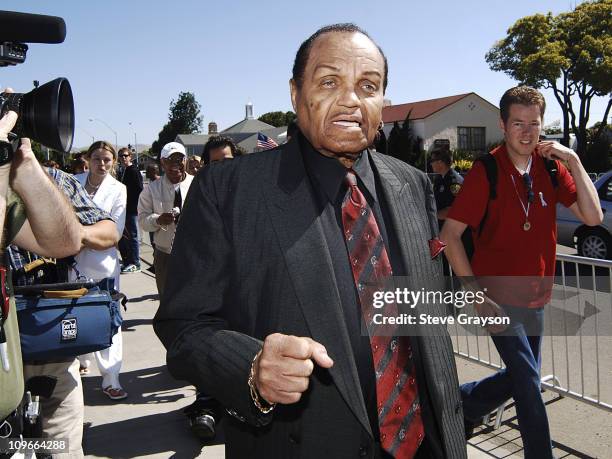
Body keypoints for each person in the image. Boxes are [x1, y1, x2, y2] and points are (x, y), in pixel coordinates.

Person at [155, 24, 466, 459]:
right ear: (295, 94)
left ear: (382, 101)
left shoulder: (413, 186)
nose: (351, 100)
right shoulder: (228, 191)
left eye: (368, 86)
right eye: (329, 82)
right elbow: (183, 326)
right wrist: (252, 369)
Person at [440, 86, 602, 458]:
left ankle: (463, 404)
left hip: (537, 297)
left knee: (521, 376)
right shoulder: (486, 172)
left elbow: (593, 216)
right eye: (518, 123)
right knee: (530, 386)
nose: (527, 133)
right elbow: (450, 237)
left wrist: (573, 158)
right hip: (497, 299)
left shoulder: (551, 167)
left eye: (534, 124)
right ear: (503, 124)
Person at [0, 93, 91, 456]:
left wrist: (24, 160)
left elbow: (64, 241)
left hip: (11, 412)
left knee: (60, 446)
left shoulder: (11, 173)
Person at [73, 140, 128, 401]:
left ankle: (111, 377)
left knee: (109, 319)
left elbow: (115, 231)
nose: (102, 164)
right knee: (73, 314)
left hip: (103, 263)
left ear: (114, 162)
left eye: (107, 159)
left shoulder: (119, 189)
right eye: (97, 158)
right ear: (87, 159)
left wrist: (78, 236)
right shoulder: (73, 182)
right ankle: (82, 360)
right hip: (71, 263)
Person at [137, 142, 193, 296]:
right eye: (170, 160)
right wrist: (158, 220)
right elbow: (142, 220)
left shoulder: (197, 184)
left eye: (179, 159)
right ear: (162, 162)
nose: (175, 164)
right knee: (167, 299)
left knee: (194, 300)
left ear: (185, 160)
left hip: (194, 253)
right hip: (165, 254)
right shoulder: (151, 189)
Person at [117, 147, 143, 274]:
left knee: (132, 236)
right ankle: (129, 261)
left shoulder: (133, 171)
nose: (123, 158)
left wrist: (131, 203)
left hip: (131, 209)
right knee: (125, 236)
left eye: (125, 155)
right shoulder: (123, 170)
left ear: (130, 157)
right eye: (120, 156)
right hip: (124, 209)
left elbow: (139, 189)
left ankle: (135, 263)